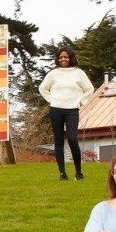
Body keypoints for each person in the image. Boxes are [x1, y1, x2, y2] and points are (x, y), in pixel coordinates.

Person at [38, 46, 95, 181]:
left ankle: (78, 172)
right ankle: (62, 174)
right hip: (56, 109)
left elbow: (89, 89)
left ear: (70, 58)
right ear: (58, 59)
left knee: (72, 139)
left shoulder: (79, 73)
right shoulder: (53, 74)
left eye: (66, 57)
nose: (63, 59)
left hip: (72, 110)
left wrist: (81, 102)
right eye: (61, 57)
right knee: (58, 141)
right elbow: (42, 88)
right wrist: (52, 100)